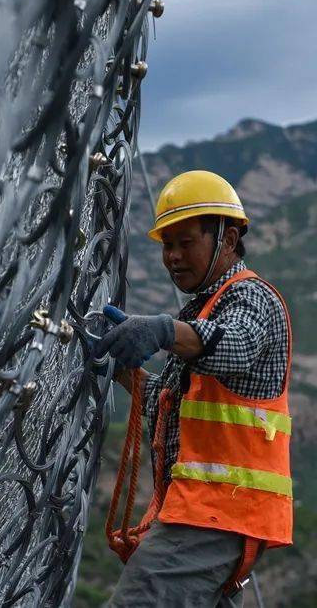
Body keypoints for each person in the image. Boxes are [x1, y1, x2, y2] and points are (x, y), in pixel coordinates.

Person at [95, 170, 294, 608]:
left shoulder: (252, 299)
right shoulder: (204, 308)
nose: (173, 257)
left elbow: (236, 347)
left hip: (216, 513)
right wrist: (113, 361)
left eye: (186, 243)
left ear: (227, 238)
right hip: (211, 513)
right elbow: (166, 403)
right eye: (168, 245)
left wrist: (163, 330)